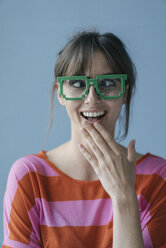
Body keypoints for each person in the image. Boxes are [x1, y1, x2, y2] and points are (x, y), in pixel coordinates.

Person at [2, 30, 166, 248]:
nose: (92, 98)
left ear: (125, 93)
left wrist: (124, 197)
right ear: (60, 93)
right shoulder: (29, 177)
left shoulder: (159, 179)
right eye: (78, 84)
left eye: (107, 83)